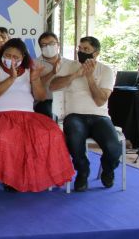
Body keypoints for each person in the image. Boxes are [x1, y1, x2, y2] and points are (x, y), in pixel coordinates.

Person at [0, 38, 74, 192]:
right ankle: (9, 178)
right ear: (2, 54)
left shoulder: (29, 72)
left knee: (51, 133)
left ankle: (38, 175)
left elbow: (40, 97)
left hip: (28, 116)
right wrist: (12, 78)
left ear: (23, 58)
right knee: (7, 136)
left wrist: (35, 80)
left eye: (16, 57)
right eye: (8, 55)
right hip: (0, 116)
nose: (11, 60)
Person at [50, 36, 120, 191]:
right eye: (80, 49)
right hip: (74, 116)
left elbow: (100, 101)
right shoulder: (68, 66)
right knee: (74, 139)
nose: (81, 52)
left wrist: (89, 77)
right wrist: (76, 74)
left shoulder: (106, 71)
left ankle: (108, 170)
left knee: (113, 147)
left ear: (96, 53)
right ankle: (83, 171)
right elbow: (53, 86)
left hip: (99, 117)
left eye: (86, 49)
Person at [33, 31, 67, 120]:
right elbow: (33, 86)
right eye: (44, 45)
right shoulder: (34, 64)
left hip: (66, 102)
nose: (48, 47)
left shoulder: (69, 63)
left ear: (58, 44)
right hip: (45, 102)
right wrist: (52, 72)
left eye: (52, 43)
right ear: (40, 47)